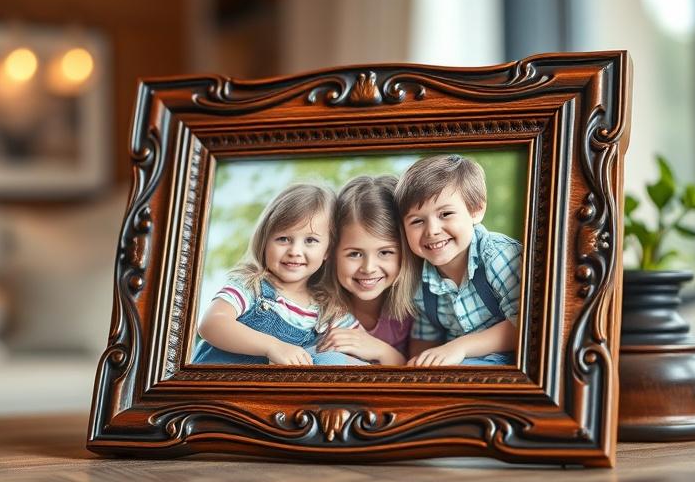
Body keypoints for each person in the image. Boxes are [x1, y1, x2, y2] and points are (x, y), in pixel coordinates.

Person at [191, 183, 367, 366]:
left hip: (271, 385)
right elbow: (211, 324)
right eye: (283, 239)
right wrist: (272, 346)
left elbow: (362, 350)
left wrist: (382, 351)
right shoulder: (251, 286)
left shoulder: (328, 309)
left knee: (330, 359)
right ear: (265, 241)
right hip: (216, 381)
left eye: (310, 240)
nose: (295, 251)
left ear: (328, 250)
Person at [394, 154, 522, 366]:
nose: (432, 230)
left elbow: (526, 326)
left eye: (445, 214)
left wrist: (460, 347)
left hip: (510, 362)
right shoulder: (420, 283)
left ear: (476, 210)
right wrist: (418, 363)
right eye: (417, 221)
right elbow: (425, 339)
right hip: (460, 365)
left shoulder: (499, 256)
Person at [317, 175, 413, 365]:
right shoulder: (317, 308)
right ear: (332, 252)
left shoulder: (417, 309)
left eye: (385, 252)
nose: (368, 268)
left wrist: (383, 351)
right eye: (354, 254)